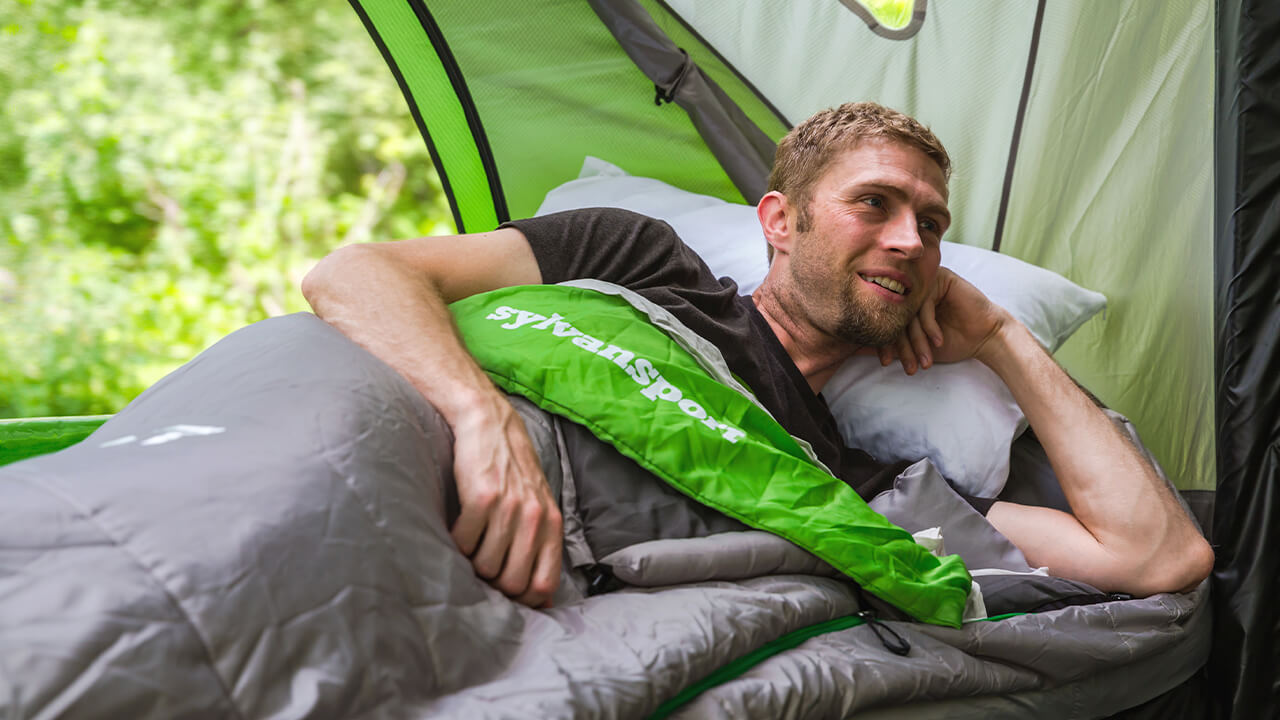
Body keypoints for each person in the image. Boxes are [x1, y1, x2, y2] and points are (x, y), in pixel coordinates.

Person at [302, 102, 1213, 610]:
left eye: (931, 226)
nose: (911, 241)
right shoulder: (637, 259)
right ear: (780, 222)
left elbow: (1157, 558)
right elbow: (356, 274)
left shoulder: (862, 487)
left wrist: (1007, 339)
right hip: (400, 461)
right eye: (877, 205)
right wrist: (478, 416)